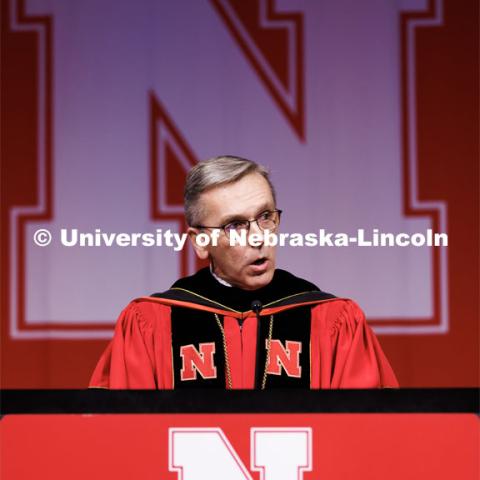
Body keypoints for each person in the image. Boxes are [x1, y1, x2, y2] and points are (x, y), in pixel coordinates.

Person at [90, 156, 398, 389]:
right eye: (235, 224)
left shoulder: (332, 320)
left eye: (266, 217)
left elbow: (366, 441)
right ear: (201, 242)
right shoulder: (152, 323)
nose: (258, 237)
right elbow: (122, 443)